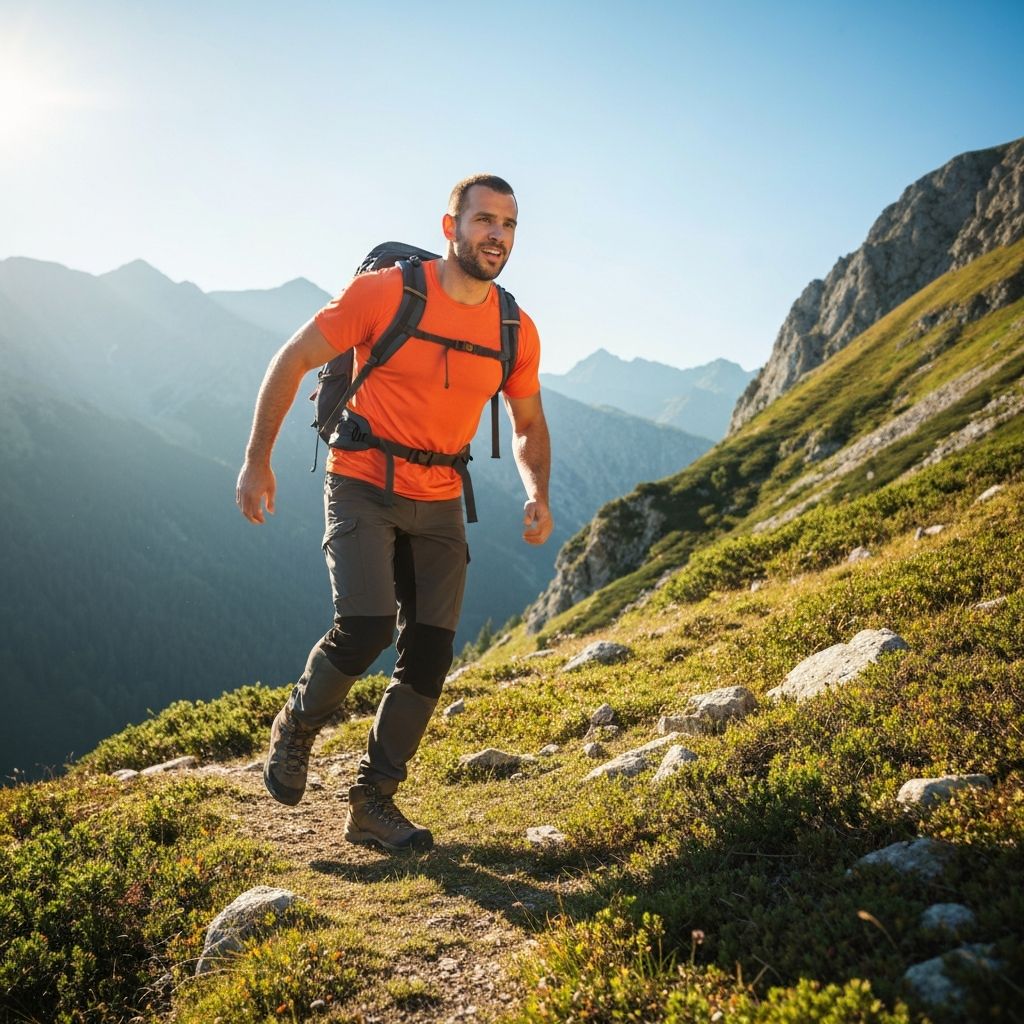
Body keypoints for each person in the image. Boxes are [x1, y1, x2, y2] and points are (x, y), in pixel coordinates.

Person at [235, 173, 552, 853]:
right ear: (451, 227)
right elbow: (292, 359)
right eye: (483, 220)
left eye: (509, 224)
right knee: (367, 625)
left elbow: (527, 423)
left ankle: (371, 803)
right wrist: (257, 457)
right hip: (362, 481)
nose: (497, 234)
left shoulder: (513, 328)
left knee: (429, 656)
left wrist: (537, 491)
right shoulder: (386, 292)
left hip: (440, 496)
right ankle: (296, 725)